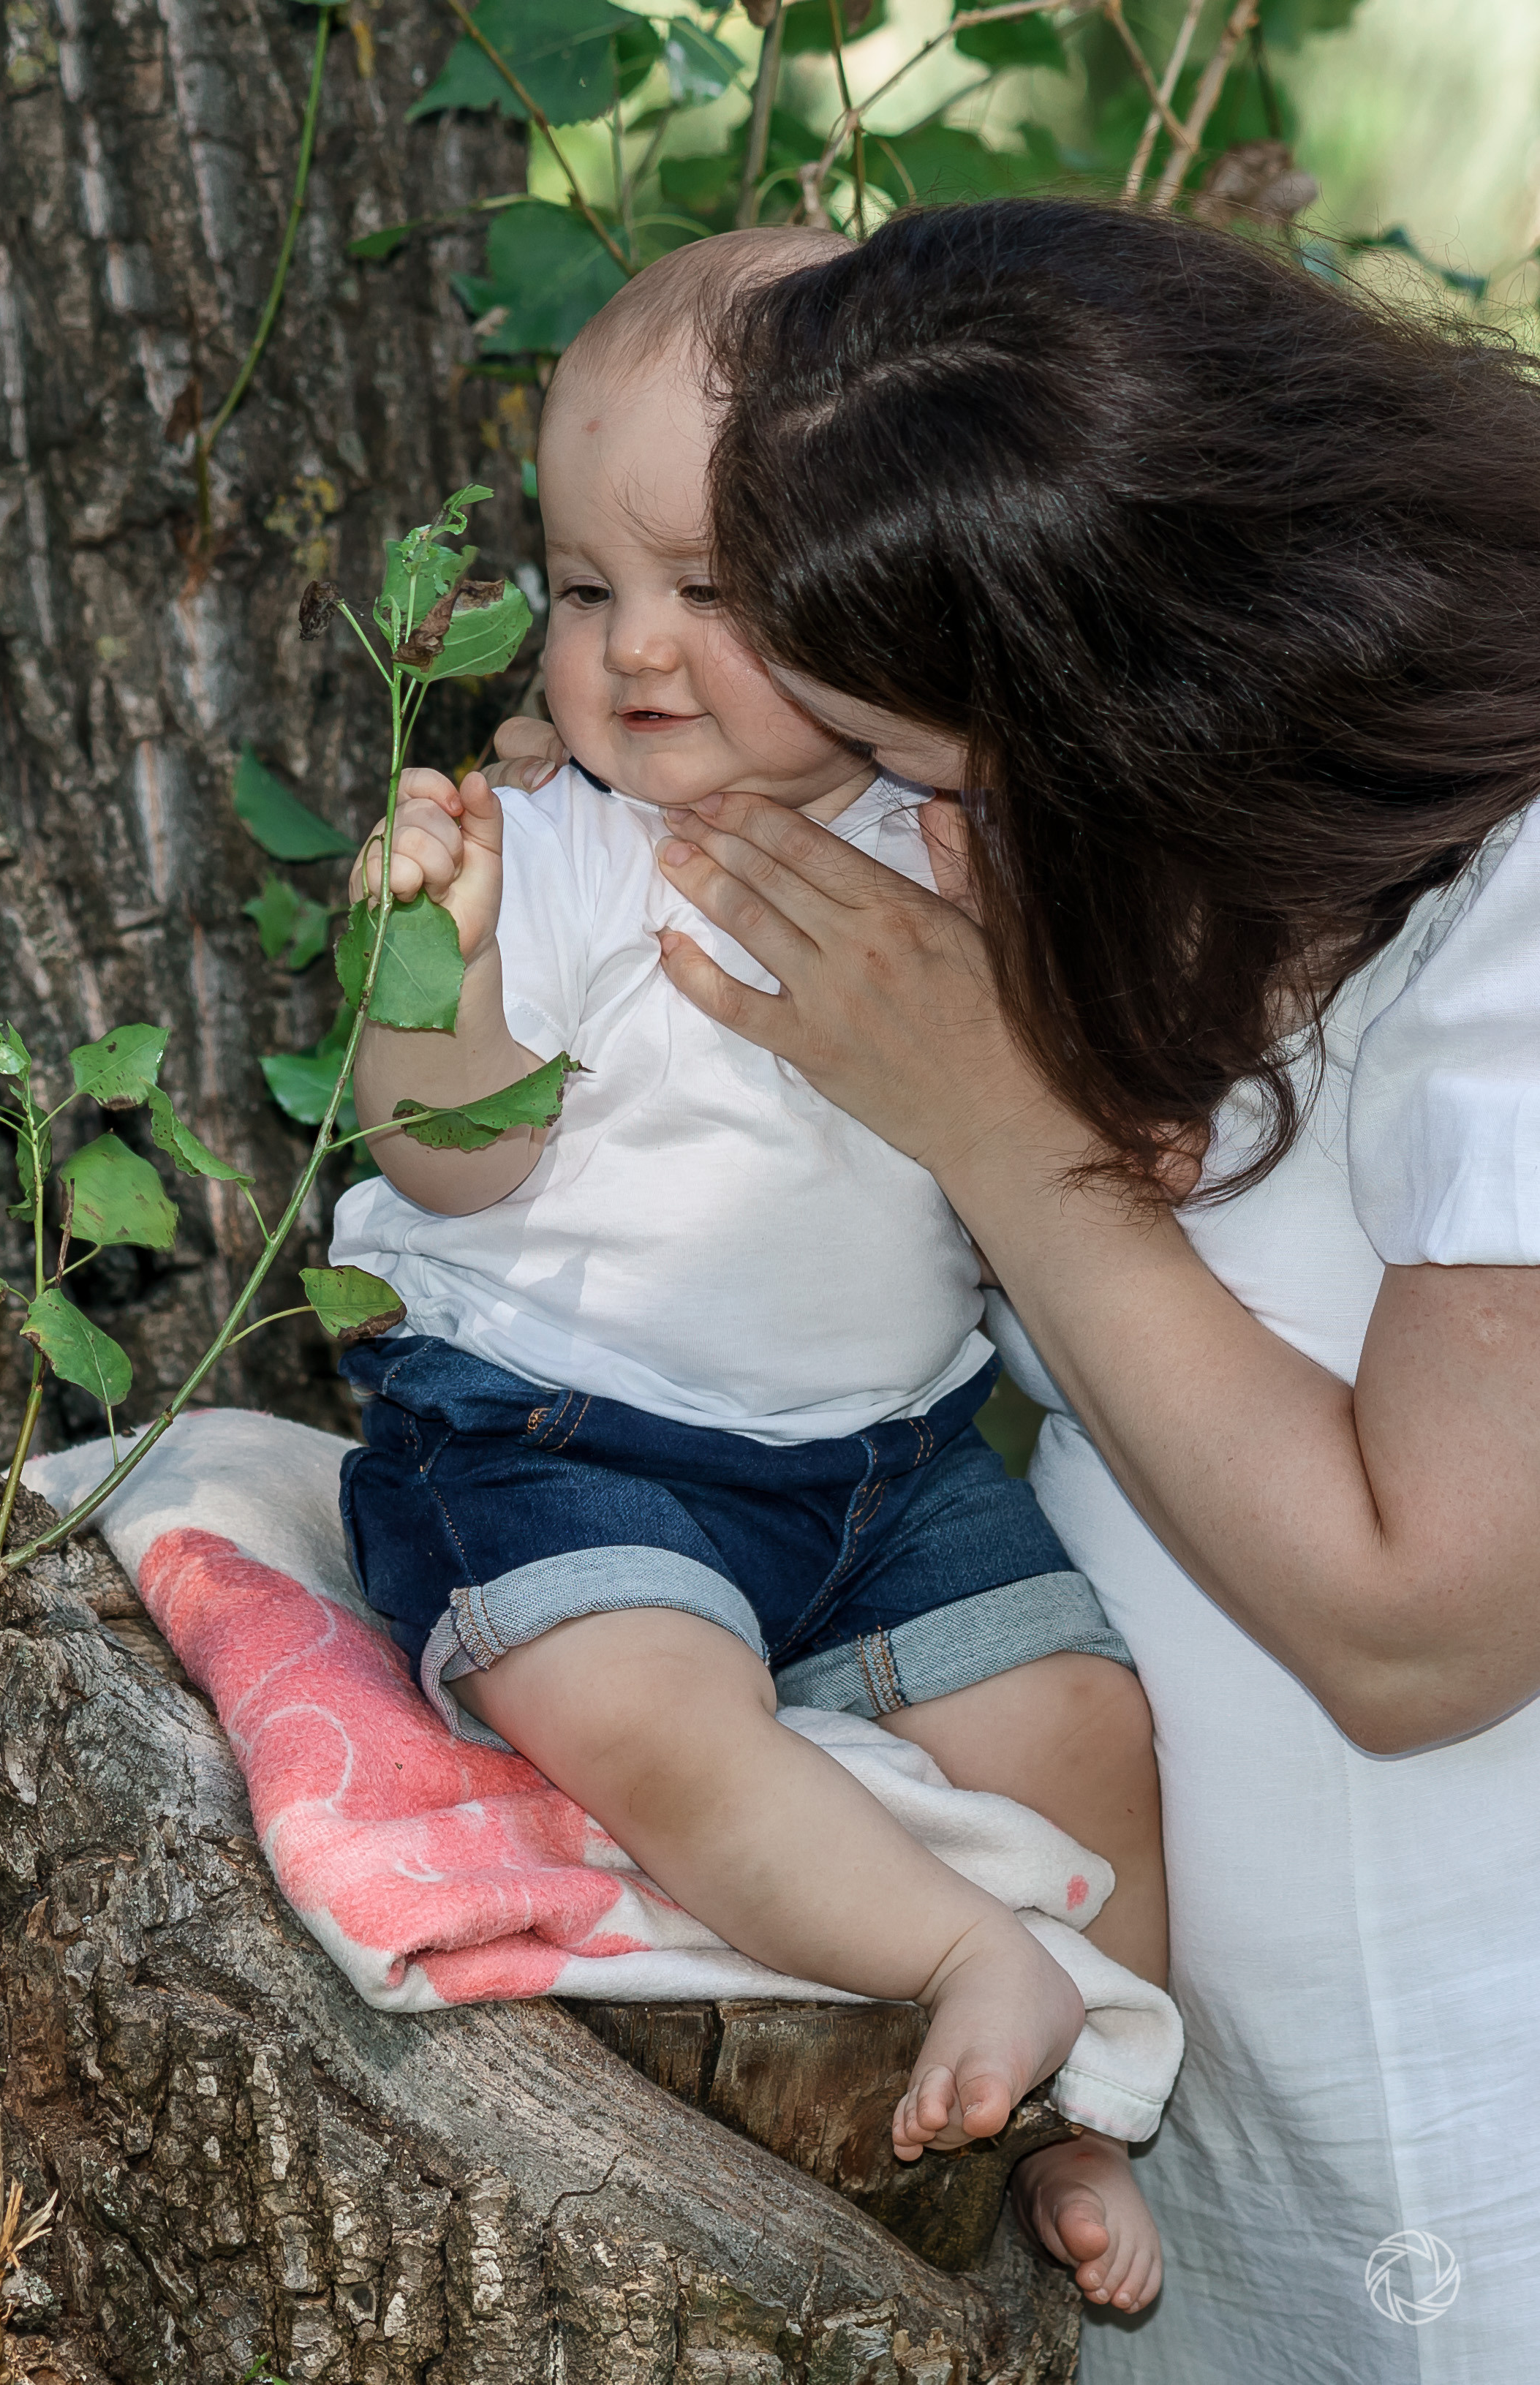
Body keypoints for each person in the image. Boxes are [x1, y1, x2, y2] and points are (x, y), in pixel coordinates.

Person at [532, 197, 1540, 2383]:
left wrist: (1001, 1131)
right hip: (1231, 2180)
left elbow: (1425, 1630)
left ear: (1143, 688)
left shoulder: (1518, 907)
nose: (923, 822)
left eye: (931, 764)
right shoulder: (1193, 852)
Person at [328, 229, 1172, 2311]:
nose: (633, 650)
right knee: (649, 1711)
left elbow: (1092, 1119)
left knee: (1084, 1724)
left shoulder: (952, 838)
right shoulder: (554, 843)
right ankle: (964, 1955)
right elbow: (451, 1160)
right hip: (559, 1440)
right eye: (585, 588)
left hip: (890, 1461)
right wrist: (423, 964)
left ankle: (1095, 2097)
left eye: (714, 590)